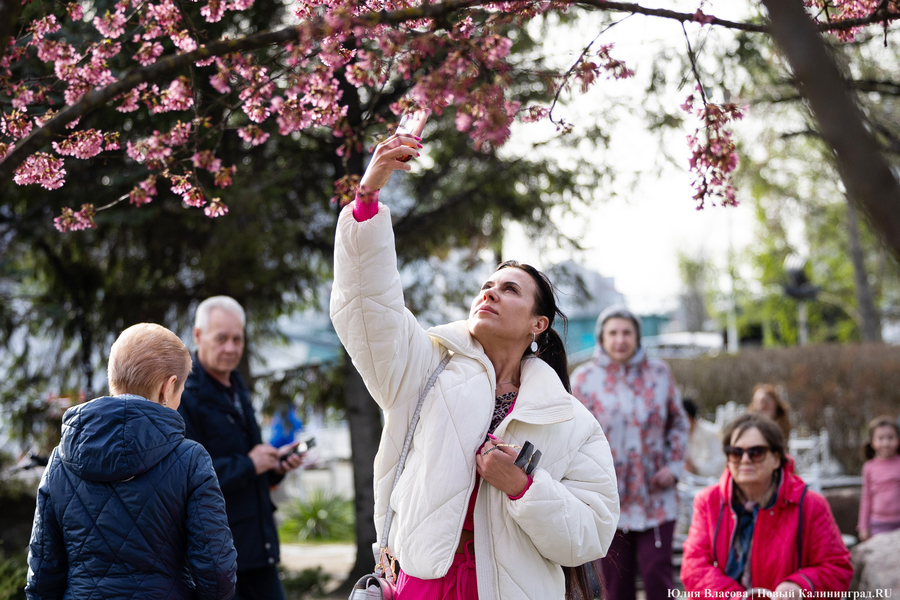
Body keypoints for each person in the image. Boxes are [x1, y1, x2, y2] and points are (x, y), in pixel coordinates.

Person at [329, 131, 619, 600]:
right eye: (487, 286)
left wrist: (523, 488)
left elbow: (591, 536)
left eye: (510, 290)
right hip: (422, 587)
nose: (490, 293)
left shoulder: (572, 421)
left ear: (538, 325)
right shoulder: (424, 369)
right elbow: (369, 309)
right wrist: (367, 201)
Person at [26, 323, 237, 600]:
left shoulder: (60, 461)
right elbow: (217, 572)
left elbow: (42, 575)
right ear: (168, 387)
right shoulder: (190, 460)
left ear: (113, 379)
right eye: (181, 390)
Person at [178, 296, 304, 600]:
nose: (231, 348)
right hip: (217, 559)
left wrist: (274, 467)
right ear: (198, 336)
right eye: (221, 338)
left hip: (259, 551)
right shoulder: (184, 395)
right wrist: (250, 464)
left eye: (237, 339)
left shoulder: (237, 386)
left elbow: (249, 466)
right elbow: (187, 478)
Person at [570, 305, 688, 600]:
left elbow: (678, 423)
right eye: (613, 333)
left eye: (627, 333)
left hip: (655, 497)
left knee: (658, 577)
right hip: (609, 500)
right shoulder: (584, 379)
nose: (620, 339)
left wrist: (673, 468)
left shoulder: (659, 373)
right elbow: (572, 435)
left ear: (637, 337)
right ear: (601, 338)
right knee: (616, 584)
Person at [681, 413, 852, 595]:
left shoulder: (809, 504)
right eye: (736, 452)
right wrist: (734, 597)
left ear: (777, 459)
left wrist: (800, 586)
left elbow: (837, 568)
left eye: (756, 452)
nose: (745, 460)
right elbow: (694, 567)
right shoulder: (709, 502)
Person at [857, 416, 900, 541]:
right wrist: (863, 527)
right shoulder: (869, 467)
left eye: (890, 437)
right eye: (881, 438)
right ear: (872, 442)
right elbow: (866, 498)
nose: (886, 443)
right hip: (878, 525)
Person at [683, 398, 726, 479]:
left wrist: (695, 467)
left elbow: (719, 464)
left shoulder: (710, 432)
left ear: (690, 417)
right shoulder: (681, 435)